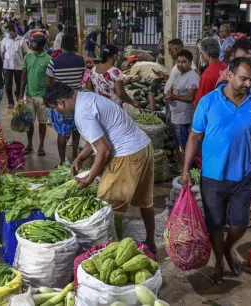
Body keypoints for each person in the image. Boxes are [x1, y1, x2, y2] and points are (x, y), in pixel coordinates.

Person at [181, 57, 251, 285]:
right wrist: (186, 170)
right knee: (215, 224)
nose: (248, 83)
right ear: (229, 75)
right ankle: (218, 262)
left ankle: (227, 249)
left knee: (240, 224)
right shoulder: (208, 102)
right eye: (243, 78)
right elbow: (195, 136)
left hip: (242, 176)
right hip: (212, 177)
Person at [44, 81, 157, 255]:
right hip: (143, 147)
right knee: (144, 201)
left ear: (61, 102)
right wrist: (81, 157)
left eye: (55, 108)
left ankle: (114, 254)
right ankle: (151, 242)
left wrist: (89, 179)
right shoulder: (86, 97)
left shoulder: (82, 114)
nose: (57, 112)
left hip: (127, 154)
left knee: (107, 204)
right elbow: (98, 136)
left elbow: (104, 150)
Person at [46, 34, 85, 165]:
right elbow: (81, 78)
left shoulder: (54, 61)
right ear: (74, 45)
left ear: (61, 45)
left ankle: (63, 161)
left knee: (62, 131)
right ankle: (74, 153)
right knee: (76, 129)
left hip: (61, 102)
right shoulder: (81, 60)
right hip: (76, 100)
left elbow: (48, 83)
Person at [165, 50, 200, 171]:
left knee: (183, 145)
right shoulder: (179, 74)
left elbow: (191, 97)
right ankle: (182, 166)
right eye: (178, 61)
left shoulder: (192, 77)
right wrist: (170, 94)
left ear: (190, 62)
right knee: (179, 144)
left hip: (183, 118)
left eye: (184, 62)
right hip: (176, 116)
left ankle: (186, 170)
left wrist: (174, 97)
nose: (180, 64)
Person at [19, 32, 51, 156]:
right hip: (30, 95)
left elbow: (51, 79)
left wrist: (48, 96)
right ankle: (30, 144)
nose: (30, 44)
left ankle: (41, 145)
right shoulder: (28, 57)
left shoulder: (48, 59)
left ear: (39, 44)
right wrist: (21, 93)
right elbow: (23, 75)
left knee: (42, 123)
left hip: (42, 96)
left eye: (33, 42)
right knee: (29, 122)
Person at [194, 37, 227, 108]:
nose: (202, 57)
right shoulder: (226, 68)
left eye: (202, 54)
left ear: (207, 56)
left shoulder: (207, 75)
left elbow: (200, 102)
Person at [1, 24, 28, 109]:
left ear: (13, 31)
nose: (7, 34)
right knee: (8, 85)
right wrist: (3, 63)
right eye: (6, 32)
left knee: (19, 84)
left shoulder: (21, 40)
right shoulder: (5, 40)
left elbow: (25, 53)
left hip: (19, 66)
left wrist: (24, 64)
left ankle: (17, 94)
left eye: (8, 32)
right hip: (7, 66)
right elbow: (2, 52)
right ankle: (10, 102)